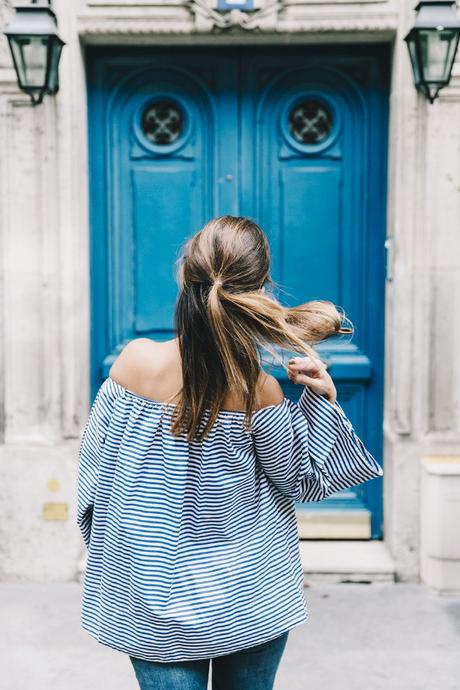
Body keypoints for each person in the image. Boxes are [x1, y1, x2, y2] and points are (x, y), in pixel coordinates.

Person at [76, 215, 384, 690]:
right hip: (250, 596)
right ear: (259, 289)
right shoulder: (258, 390)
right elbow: (303, 482)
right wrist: (321, 399)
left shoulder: (134, 362)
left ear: (185, 276)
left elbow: (95, 478)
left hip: (150, 598)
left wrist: (120, 557)